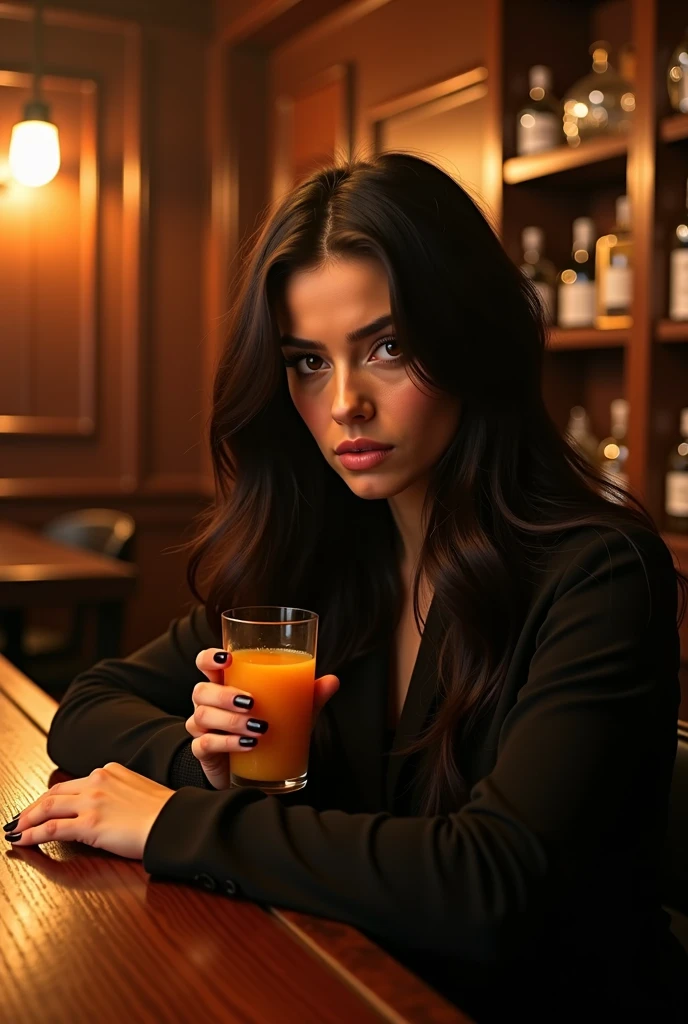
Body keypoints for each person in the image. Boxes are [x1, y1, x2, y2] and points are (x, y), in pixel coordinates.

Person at [5, 153, 688, 1022]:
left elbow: (492, 880)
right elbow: (91, 701)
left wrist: (173, 821)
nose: (345, 405)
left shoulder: (600, 572)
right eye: (307, 361)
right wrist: (203, 768)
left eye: (388, 347)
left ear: (473, 339)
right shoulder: (320, 562)